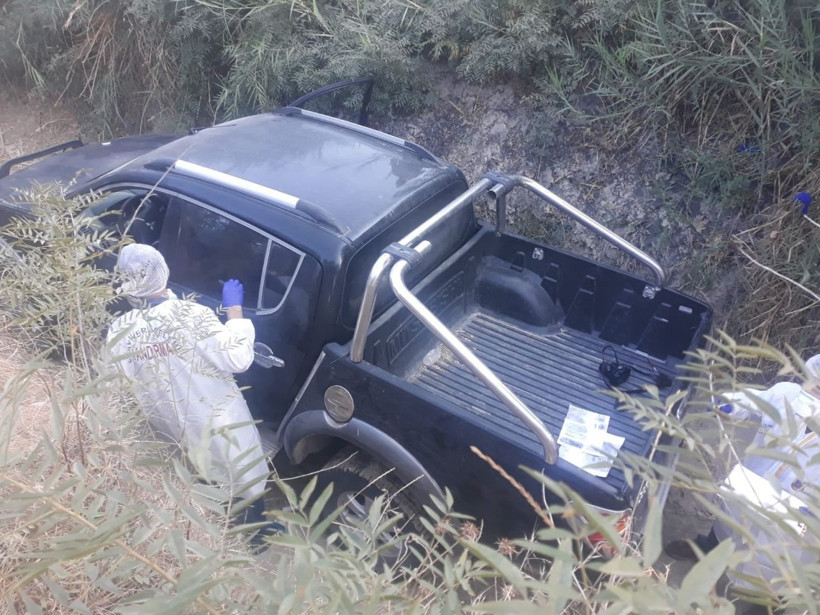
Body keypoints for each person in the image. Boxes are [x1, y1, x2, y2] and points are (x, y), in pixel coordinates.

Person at [106, 243, 278, 541]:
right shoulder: (189, 314)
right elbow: (237, 358)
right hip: (219, 422)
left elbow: (117, 388)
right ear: (163, 271)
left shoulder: (119, 331)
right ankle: (255, 537)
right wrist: (234, 310)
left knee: (205, 481)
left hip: (172, 428)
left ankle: (227, 531)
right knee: (243, 477)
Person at [665, 357, 820, 579]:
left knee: (772, 563)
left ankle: (760, 594)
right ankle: (707, 551)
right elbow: (751, 401)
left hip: (793, 515)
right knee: (727, 526)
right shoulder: (786, 394)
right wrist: (730, 405)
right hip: (750, 486)